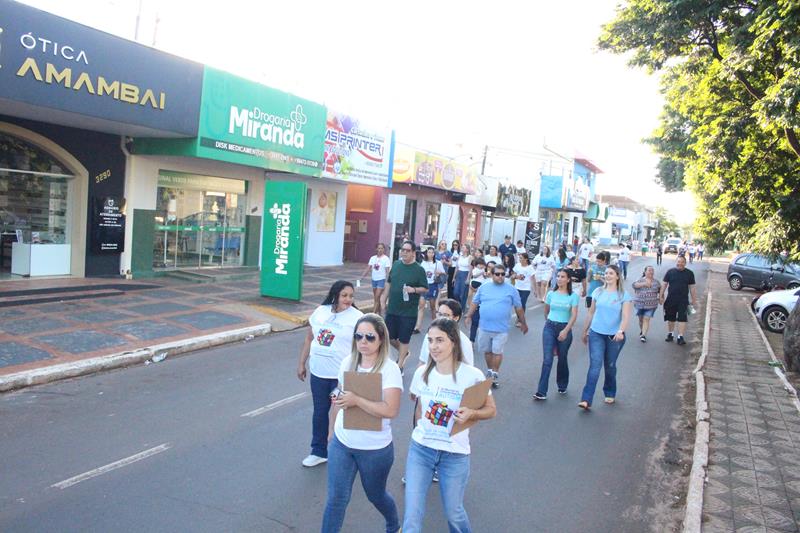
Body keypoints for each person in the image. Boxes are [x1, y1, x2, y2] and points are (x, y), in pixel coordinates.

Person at [403, 318, 496, 533]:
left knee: (454, 513)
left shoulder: (472, 375)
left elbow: (491, 410)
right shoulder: (421, 373)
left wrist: (472, 412)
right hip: (421, 451)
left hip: (454, 455)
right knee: (412, 516)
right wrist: (421, 433)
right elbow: (418, 410)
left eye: (439, 340)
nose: (433, 347)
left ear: (453, 341)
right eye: (430, 341)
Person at [322, 314, 402, 533]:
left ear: (381, 338)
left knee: (376, 495)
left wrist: (357, 400)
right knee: (336, 499)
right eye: (358, 336)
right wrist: (331, 431)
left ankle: (393, 525)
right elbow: (338, 399)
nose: (363, 342)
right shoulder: (348, 362)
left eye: (369, 337)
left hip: (374, 449)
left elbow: (391, 410)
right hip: (342, 443)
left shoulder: (389, 369)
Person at [297, 281, 363, 467]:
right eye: (344, 295)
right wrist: (302, 363)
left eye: (351, 296)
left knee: (342, 413)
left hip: (340, 378)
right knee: (320, 412)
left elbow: (364, 346)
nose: (348, 299)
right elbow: (310, 338)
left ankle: (347, 451)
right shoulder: (320, 312)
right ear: (335, 295)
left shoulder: (357, 318)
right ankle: (319, 451)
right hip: (318, 374)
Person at [465, 263, 529, 388]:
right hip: (484, 326)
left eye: (502, 274)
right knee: (487, 351)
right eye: (497, 274)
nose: (500, 277)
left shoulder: (511, 289)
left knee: (497, 352)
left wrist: (523, 322)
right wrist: (468, 316)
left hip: (501, 328)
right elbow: (475, 302)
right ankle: (490, 370)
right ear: (491, 274)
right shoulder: (484, 287)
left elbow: (519, 308)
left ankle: (495, 373)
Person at [578, 265, 633, 410]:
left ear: (617, 276)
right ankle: (586, 399)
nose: (608, 275)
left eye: (611, 273)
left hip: (614, 336)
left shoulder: (623, 295)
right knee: (595, 365)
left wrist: (621, 331)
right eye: (606, 273)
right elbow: (590, 313)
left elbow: (626, 316)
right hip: (596, 333)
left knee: (610, 365)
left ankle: (609, 391)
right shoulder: (598, 291)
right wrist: (585, 331)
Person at [381, 241, 429, 371]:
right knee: (388, 337)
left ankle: (399, 365)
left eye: (408, 250)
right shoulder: (396, 265)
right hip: (392, 308)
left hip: (408, 312)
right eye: (403, 250)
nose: (404, 252)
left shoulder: (419, 269)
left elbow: (425, 288)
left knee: (404, 339)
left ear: (414, 253)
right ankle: (405, 352)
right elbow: (389, 283)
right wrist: (383, 299)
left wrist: (413, 290)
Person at [533, 269, 579, 400]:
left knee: (562, 358)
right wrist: (549, 323)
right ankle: (541, 391)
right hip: (550, 327)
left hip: (565, 327)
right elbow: (546, 310)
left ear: (568, 279)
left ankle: (562, 384)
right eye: (558, 276)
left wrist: (565, 330)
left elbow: (574, 315)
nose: (559, 279)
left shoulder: (573, 296)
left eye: (562, 277)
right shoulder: (551, 293)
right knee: (547, 359)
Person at [417, 299, 475, 367]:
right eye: (439, 314)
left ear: (456, 318)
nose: (440, 318)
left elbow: (468, 370)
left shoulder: (464, 342)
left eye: (445, 315)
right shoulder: (430, 335)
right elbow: (422, 361)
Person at [659, 255, 697, 346]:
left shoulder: (690, 273)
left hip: (683, 300)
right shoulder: (670, 272)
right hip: (671, 299)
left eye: (682, 262)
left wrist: (694, 299)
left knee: (682, 318)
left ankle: (680, 336)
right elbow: (664, 284)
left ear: (685, 263)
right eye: (678, 262)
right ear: (676, 262)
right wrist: (661, 296)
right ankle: (670, 334)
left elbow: (692, 287)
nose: (680, 263)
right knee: (670, 318)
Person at [416, 247, 446, 332]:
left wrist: (439, 273)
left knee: (432, 307)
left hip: (433, 285)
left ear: (434, 254)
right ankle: (418, 327)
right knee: (421, 306)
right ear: (426, 253)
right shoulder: (423, 263)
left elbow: (444, 272)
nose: (431, 254)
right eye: (429, 252)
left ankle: (434, 325)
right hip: (424, 285)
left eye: (432, 252)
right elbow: (420, 273)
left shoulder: (438, 263)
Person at [632, 265, 661, 342]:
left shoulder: (656, 282)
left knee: (646, 319)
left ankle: (643, 335)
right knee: (641, 320)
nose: (651, 272)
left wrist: (661, 298)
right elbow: (634, 285)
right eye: (649, 270)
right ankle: (642, 330)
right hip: (639, 304)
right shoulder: (640, 280)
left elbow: (660, 291)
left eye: (652, 270)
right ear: (645, 272)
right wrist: (644, 284)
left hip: (651, 305)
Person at [362, 243, 392, 316]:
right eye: (378, 248)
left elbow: (388, 271)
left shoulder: (386, 259)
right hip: (374, 279)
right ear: (376, 249)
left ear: (384, 249)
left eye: (382, 248)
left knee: (377, 296)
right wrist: (362, 277)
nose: (380, 250)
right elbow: (368, 268)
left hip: (381, 280)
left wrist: (389, 281)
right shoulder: (373, 258)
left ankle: (372, 314)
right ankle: (378, 314)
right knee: (376, 298)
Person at [452, 244, 472, 311]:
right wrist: (454, 277)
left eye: (463, 247)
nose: (462, 248)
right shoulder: (459, 256)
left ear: (467, 249)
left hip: (465, 274)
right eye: (462, 247)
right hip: (459, 274)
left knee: (463, 293)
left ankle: (462, 308)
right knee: (456, 292)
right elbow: (457, 267)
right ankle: (458, 304)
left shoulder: (470, 257)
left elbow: (470, 269)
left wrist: (468, 278)